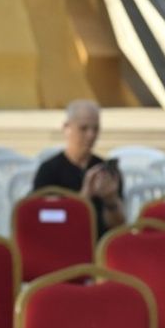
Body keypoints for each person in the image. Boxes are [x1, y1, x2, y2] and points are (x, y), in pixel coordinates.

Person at [32, 99, 125, 236]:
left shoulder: (105, 172)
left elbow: (118, 227)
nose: (91, 135)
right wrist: (84, 197)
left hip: (98, 242)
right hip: (61, 241)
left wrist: (110, 200)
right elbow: (44, 220)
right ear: (67, 128)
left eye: (95, 129)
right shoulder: (49, 170)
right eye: (83, 128)